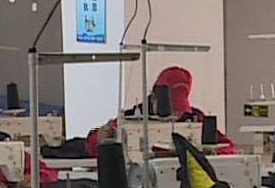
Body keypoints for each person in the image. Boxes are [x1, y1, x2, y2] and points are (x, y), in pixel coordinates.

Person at [84, 66, 235, 155]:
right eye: (172, 108)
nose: (176, 115)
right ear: (154, 97)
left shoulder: (195, 118)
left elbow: (228, 146)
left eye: (179, 108)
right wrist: (100, 139)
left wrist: (210, 153)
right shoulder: (132, 118)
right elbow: (91, 145)